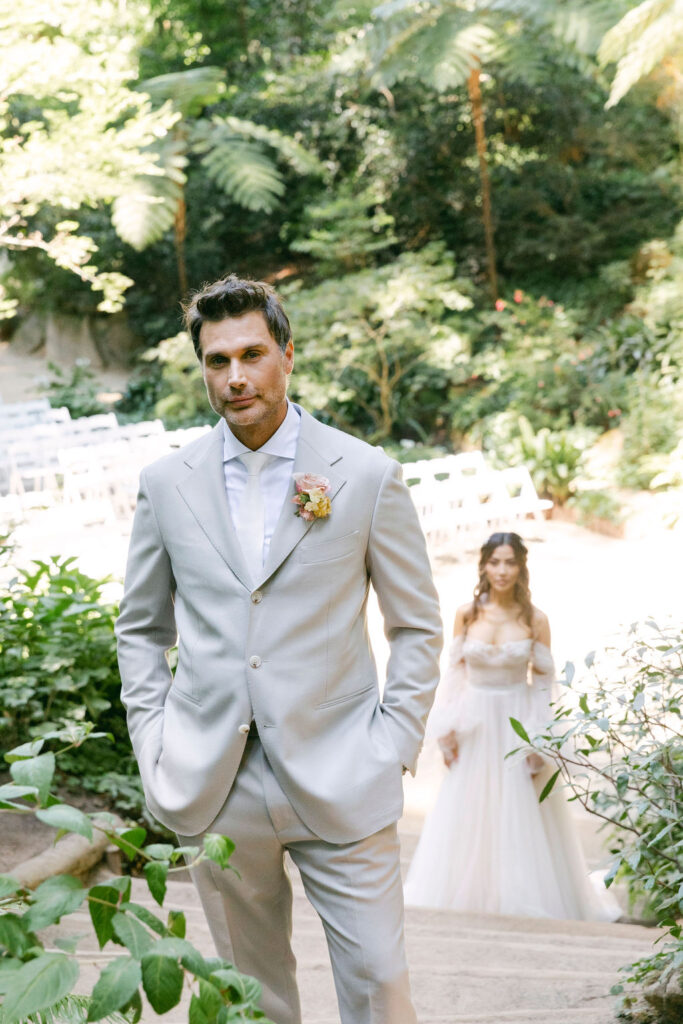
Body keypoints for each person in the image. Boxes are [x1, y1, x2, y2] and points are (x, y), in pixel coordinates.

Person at [115, 274, 443, 1024]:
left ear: (286, 356)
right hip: (213, 779)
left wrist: (393, 741)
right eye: (216, 360)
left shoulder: (362, 474)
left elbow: (416, 624)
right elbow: (140, 628)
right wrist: (154, 743)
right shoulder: (166, 483)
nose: (234, 377)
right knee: (247, 998)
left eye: (251, 355)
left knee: (379, 983)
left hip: (344, 769)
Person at [404, 531, 616, 920]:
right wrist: (447, 729)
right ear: (483, 565)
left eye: (510, 562)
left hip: (518, 723)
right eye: (495, 562)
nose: (502, 570)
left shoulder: (536, 619)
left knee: (521, 808)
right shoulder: (467, 614)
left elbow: (544, 682)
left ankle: (524, 892)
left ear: (521, 567)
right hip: (475, 722)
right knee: (468, 805)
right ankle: (468, 891)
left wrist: (540, 739)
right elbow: (453, 673)